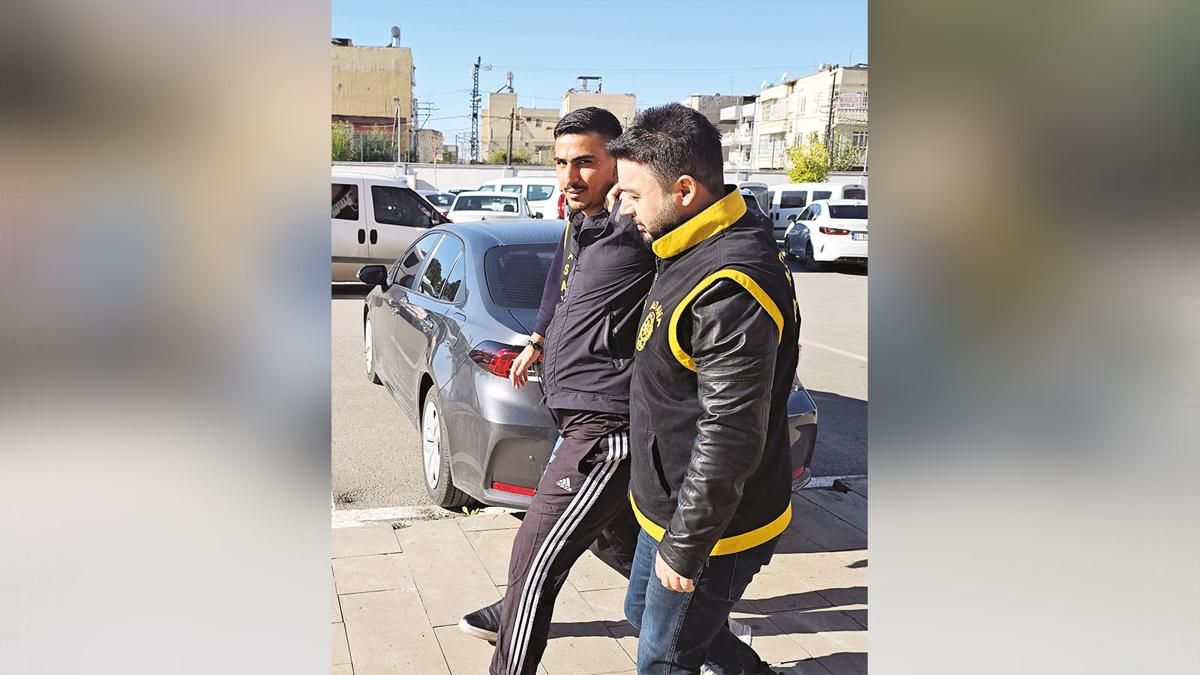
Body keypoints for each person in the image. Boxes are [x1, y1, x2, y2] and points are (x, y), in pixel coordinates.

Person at [456, 107, 656, 675]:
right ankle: (707, 638)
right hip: (575, 414)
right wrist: (538, 340)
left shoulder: (637, 224)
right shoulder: (581, 223)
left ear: (618, 160)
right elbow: (558, 286)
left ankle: (512, 633)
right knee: (612, 542)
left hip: (607, 424)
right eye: (561, 162)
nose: (569, 176)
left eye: (585, 162)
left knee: (535, 552)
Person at [608, 103, 801, 675]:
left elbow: (730, 433)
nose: (623, 208)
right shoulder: (690, 241)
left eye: (633, 195)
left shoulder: (728, 285)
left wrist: (685, 548)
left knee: (663, 659)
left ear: (686, 191)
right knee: (642, 614)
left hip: (713, 528)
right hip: (670, 504)